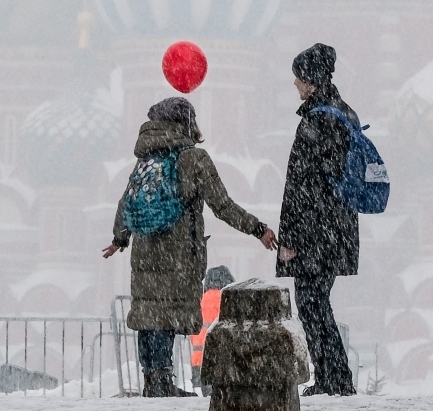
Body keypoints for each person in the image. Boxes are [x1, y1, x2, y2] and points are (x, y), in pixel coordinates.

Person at [103, 97, 276, 398]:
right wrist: (257, 228)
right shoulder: (194, 159)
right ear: (186, 122)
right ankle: (162, 383)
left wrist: (120, 238)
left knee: (149, 314)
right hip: (179, 251)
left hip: (145, 251)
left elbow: (125, 203)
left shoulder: (146, 160)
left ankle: (153, 379)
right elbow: (222, 206)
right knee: (165, 315)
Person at [275, 43, 358, 397]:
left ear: (310, 79)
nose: (295, 82)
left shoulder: (316, 121)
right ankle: (333, 376)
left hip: (314, 230)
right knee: (317, 301)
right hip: (338, 226)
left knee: (311, 304)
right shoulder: (345, 113)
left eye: (298, 76)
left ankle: (333, 378)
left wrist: (289, 239)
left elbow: (299, 185)